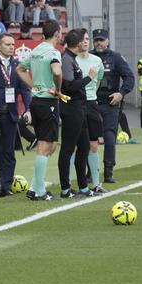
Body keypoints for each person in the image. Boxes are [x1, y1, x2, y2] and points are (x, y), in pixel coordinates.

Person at [17, 19, 63, 201]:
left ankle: (35, 186)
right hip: (48, 102)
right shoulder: (53, 52)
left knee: (50, 145)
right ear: (58, 33)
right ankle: (39, 191)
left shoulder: (36, 50)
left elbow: (20, 69)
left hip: (37, 100)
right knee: (45, 146)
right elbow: (57, 72)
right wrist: (58, 89)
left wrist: (33, 86)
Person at [0, 32, 31, 197]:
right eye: (7, 44)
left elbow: (25, 89)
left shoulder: (19, 65)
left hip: (10, 113)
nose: (11, 47)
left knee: (9, 151)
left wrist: (28, 109)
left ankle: (6, 186)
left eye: (13, 44)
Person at [55, 29, 96, 198]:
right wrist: (89, 78)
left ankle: (83, 187)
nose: (86, 43)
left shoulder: (71, 59)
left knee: (84, 146)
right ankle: (65, 188)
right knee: (67, 148)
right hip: (71, 109)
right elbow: (70, 86)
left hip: (80, 108)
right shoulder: (66, 59)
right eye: (84, 40)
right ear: (78, 43)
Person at [91, 29, 135, 183]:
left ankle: (108, 171)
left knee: (109, 136)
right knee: (90, 139)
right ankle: (90, 172)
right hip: (92, 103)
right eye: (96, 40)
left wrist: (121, 93)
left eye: (101, 40)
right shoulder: (88, 56)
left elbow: (129, 77)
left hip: (110, 103)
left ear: (108, 41)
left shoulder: (115, 57)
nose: (99, 43)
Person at [75, 37, 107, 194]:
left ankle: (96, 183)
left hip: (92, 104)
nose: (86, 42)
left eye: (87, 39)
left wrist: (91, 94)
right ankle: (69, 184)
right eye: (83, 39)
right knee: (75, 146)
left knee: (93, 145)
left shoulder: (97, 60)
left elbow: (99, 79)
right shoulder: (71, 59)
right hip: (76, 105)